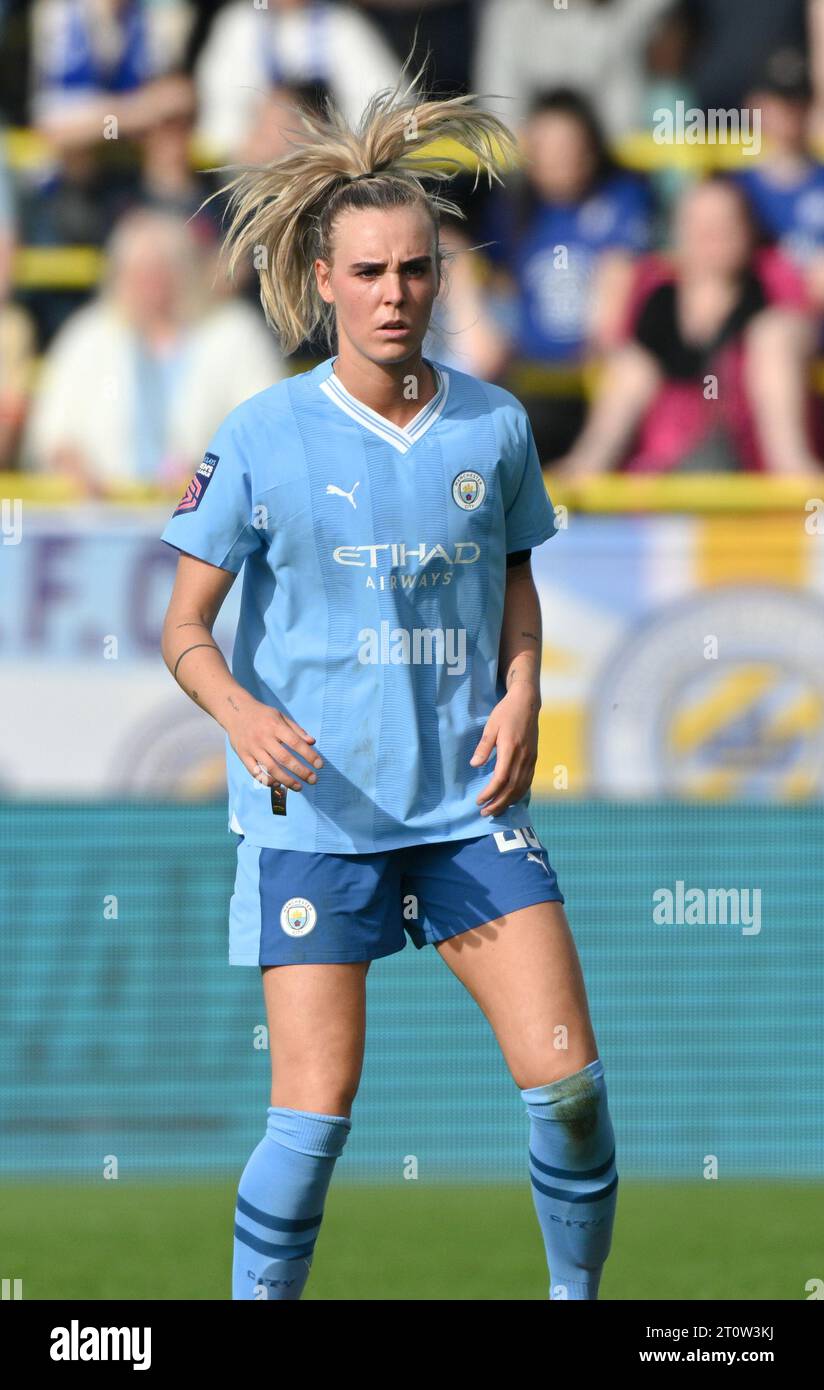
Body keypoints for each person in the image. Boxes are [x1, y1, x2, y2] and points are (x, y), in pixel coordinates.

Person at [158, 56, 619, 1301]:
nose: (393, 294)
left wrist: (521, 690)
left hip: (466, 808)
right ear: (322, 282)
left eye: (414, 269)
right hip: (317, 819)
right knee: (311, 1120)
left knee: (569, 1090)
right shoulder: (257, 434)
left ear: (438, 273)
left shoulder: (493, 424)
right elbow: (183, 629)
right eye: (366, 272)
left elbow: (514, 578)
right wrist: (244, 714)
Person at [552, 176, 823, 476]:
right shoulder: (656, 290)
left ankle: (793, 472)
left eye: (724, 222)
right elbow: (615, 354)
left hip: (750, 455)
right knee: (632, 365)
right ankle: (585, 470)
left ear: (748, 229)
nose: (712, 234)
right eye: (699, 223)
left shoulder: (774, 279)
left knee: (775, 336)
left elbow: (802, 328)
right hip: (668, 462)